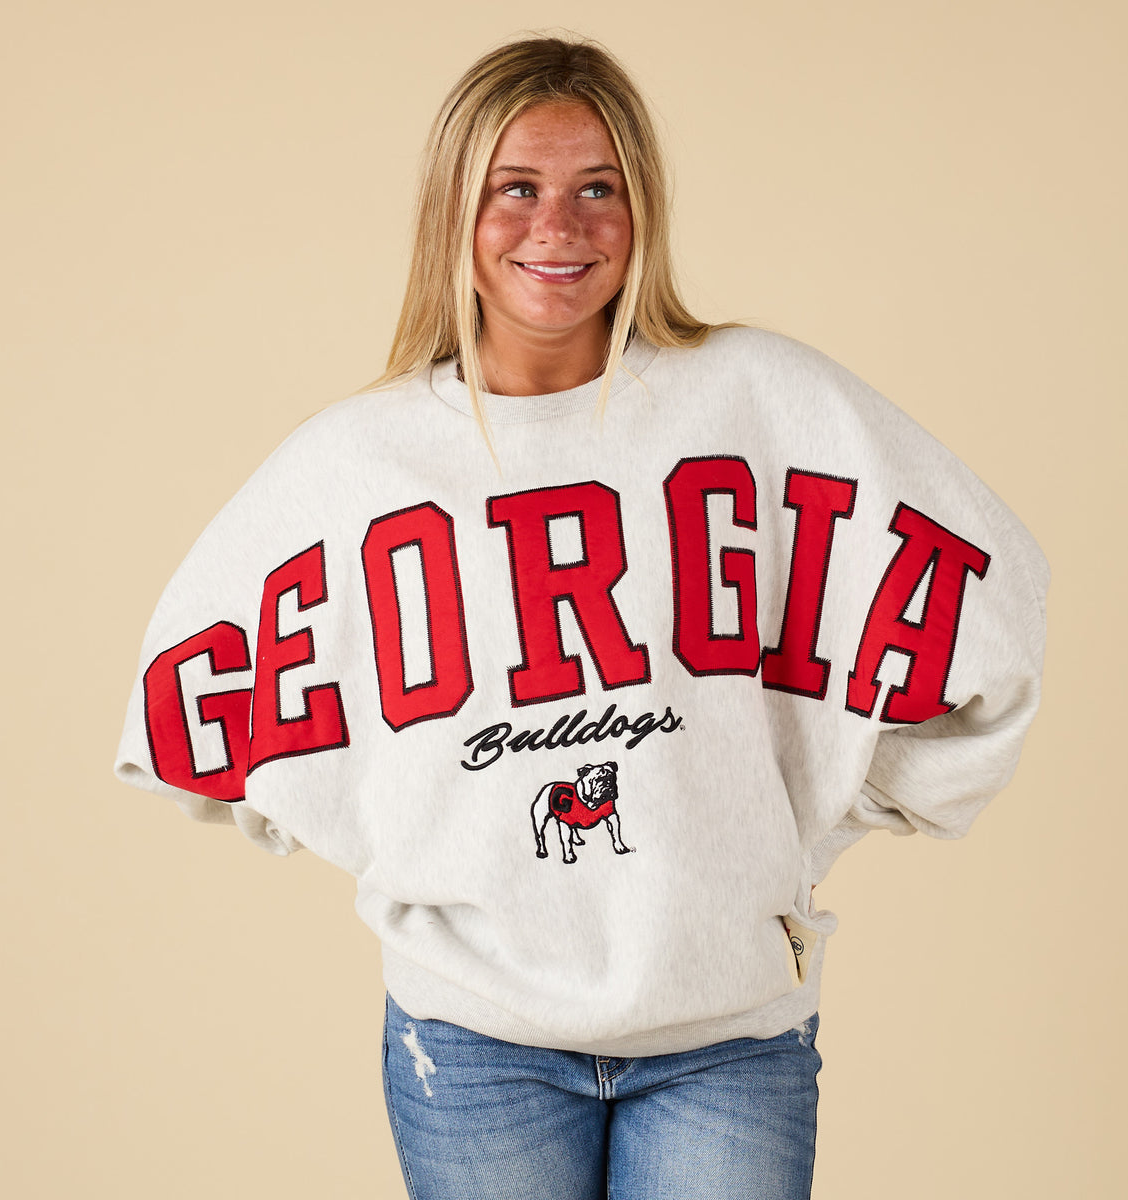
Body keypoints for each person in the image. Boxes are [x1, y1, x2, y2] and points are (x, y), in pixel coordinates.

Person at [115, 34, 1049, 1200]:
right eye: (517, 187)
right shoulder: (358, 465)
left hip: (732, 1036)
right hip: (474, 1046)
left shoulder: (757, 403)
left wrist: (822, 814)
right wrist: (392, 833)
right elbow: (182, 720)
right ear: (455, 208)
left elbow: (989, 599)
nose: (558, 226)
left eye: (596, 188)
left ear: (640, 206)